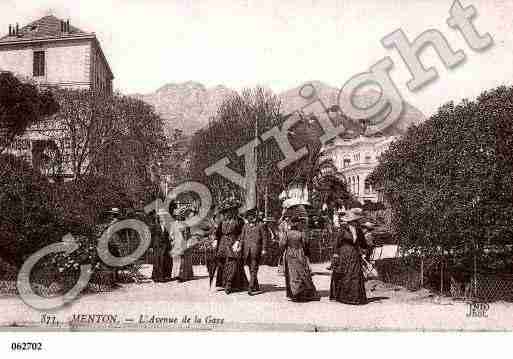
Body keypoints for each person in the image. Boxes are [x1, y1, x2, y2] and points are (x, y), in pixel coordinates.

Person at [279, 205, 319, 302]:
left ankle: (295, 293)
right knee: (303, 272)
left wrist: (283, 250)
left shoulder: (287, 233)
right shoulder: (301, 233)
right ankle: (305, 292)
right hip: (300, 253)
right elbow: (305, 244)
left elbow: (282, 244)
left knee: (292, 274)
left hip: (290, 253)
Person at [329, 208, 368, 305]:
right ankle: (344, 296)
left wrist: (366, 248)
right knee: (345, 274)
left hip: (354, 254)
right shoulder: (342, 230)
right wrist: (336, 254)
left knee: (355, 274)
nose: (355, 223)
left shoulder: (358, 231)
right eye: (354, 221)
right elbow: (336, 243)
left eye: (356, 221)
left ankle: (355, 297)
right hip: (344, 254)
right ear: (349, 221)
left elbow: (363, 243)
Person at [212, 199, 249, 294]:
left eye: (231, 210)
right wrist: (215, 239)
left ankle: (229, 284)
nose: (229, 213)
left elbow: (243, 233)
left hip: (233, 244)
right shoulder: (222, 221)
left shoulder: (240, 221)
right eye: (227, 211)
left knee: (233, 263)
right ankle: (225, 283)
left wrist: (238, 241)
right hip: (223, 245)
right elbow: (218, 232)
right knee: (223, 264)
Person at [240, 210, 269, 295]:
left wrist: (264, 249)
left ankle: (251, 287)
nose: (250, 218)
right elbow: (242, 238)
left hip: (256, 251)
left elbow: (264, 238)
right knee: (251, 269)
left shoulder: (261, 226)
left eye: (252, 217)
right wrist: (240, 247)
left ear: (254, 217)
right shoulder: (245, 226)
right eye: (248, 217)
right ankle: (256, 285)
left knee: (253, 269)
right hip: (246, 251)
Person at [170, 204, 195, 282]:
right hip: (176, 243)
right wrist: (172, 240)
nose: (179, 217)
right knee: (176, 259)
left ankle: (182, 275)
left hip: (183, 242)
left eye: (180, 215)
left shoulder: (185, 224)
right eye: (177, 216)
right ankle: (176, 274)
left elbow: (188, 234)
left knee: (183, 260)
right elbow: (171, 233)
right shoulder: (173, 224)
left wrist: (188, 242)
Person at [151, 208, 173, 283]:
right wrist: (151, 246)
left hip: (164, 246)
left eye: (164, 216)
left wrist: (169, 245)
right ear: (159, 217)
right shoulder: (155, 226)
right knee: (157, 261)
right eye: (161, 216)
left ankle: (163, 276)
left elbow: (167, 236)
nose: (162, 217)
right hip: (157, 246)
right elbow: (152, 236)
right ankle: (156, 277)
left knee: (163, 261)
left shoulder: (166, 226)